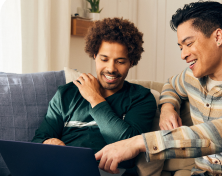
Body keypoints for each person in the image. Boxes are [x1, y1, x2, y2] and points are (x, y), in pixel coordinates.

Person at [95, 1, 222, 176]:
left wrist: (137, 143)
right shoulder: (192, 76)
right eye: (181, 47)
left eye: (188, 44)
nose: (183, 55)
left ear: (217, 37)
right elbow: (171, 85)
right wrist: (168, 107)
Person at [31, 17, 157, 174]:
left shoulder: (141, 98)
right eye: (104, 59)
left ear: (131, 62)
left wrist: (94, 98)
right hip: (61, 168)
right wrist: (48, 142)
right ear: (94, 56)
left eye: (120, 61)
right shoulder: (66, 94)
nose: (111, 68)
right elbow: (38, 140)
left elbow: (128, 145)